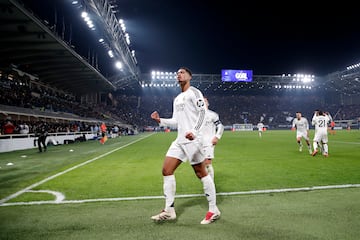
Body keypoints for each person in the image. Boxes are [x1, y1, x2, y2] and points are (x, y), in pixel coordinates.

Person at [150, 67, 220, 225]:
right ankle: (169, 210)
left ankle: (213, 210)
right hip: (180, 140)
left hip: (194, 140)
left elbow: (203, 114)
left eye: (182, 72)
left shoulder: (194, 93)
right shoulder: (177, 98)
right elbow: (176, 121)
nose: (178, 74)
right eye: (177, 73)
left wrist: (195, 132)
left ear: (189, 76)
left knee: (201, 173)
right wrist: (160, 121)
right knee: (166, 170)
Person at [202, 97, 224, 181]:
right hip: (199, 142)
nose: (203, 103)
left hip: (209, 142)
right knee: (201, 164)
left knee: (207, 163)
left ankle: (210, 185)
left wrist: (217, 137)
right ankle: (207, 182)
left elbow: (220, 126)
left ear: (208, 103)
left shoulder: (212, 115)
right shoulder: (196, 115)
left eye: (205, 101)